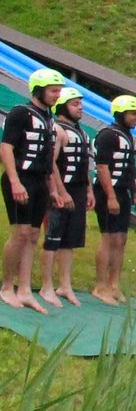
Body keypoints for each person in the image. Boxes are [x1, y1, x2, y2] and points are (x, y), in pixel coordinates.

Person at [2, 68, 66, 312]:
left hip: (39, 182)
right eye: (53, 90)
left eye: (59, 91)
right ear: (39, 90)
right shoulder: (21, 113)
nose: (57, 95)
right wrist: (14, 181)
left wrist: (53, 189)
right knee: (19, 234)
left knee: (32, 235)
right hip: (21, 178)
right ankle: (7, 287)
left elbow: (48, 158)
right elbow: (6, 148)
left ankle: (25, 289)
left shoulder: (49, 119)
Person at [35, 88, 92, 308]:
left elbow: (84, 164)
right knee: (52, 238)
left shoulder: (82, 133)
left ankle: (65, 285)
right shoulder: (57, 129)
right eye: (75, 104)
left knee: (70, 241)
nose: (80, 108)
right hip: (60, 191)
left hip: (77, 190)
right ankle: (46, 285)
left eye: (80, 103)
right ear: (62, 106)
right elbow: (51, 163)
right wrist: (61, 192)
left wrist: (88, 190)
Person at [91, 95, 136, 305]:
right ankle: (100, 286)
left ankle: (113, 284)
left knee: (121, 239)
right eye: (133, 114)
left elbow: (129, 168)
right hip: (107, 192)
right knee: (108, 238)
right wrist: (111, 197)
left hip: (123, 191)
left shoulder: (129, 138)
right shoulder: (107, 135)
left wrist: (135, 193)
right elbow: (102, 167)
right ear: (120, 114)